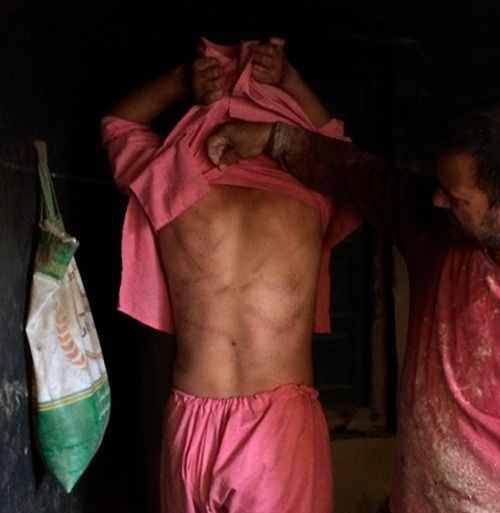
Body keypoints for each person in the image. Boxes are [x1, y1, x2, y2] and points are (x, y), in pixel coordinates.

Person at [204, 96, 500, 513]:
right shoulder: (443, 230)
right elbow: (361, 176)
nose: (436, 200)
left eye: (455, 197)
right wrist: (272, 138)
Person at [101, 37, 360, 513]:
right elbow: (342, 155)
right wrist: (289, 81)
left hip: (194, 421)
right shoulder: (312, 194)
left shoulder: (171, 181)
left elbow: (119, 123)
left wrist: (183, 80)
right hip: (278, 431)